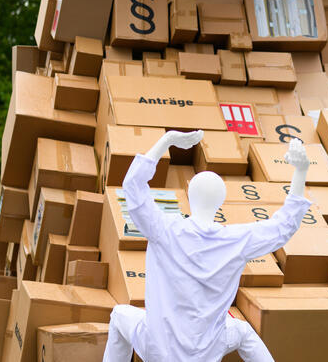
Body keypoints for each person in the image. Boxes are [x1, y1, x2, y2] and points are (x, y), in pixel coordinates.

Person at [103, 130, 312, 362]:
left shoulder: (164, 229)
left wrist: (166, 141)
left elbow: (133, 186)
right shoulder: (236, 241)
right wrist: (301, 172)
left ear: (189, 194)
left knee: (119, 315)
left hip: (158, 350)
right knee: (243, 332)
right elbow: (284, 227)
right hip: (205, 354)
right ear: (221, 201)